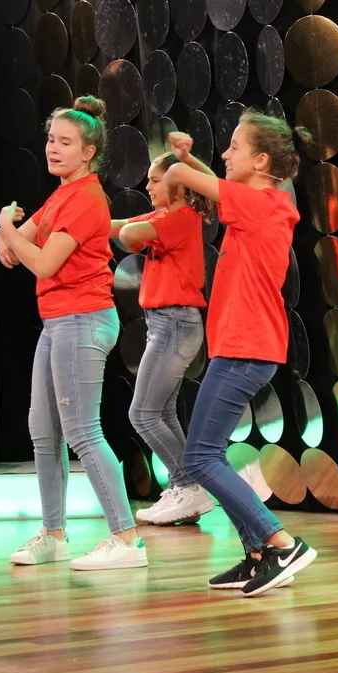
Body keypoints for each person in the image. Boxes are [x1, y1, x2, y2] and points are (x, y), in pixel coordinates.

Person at [162, 113, 317, 597]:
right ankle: (257, 554)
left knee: (200, 457)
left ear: (261, 161)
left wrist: (176, 165)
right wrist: (190, 159)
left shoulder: (259, 204)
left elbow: (183, 178)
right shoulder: (261, 202)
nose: (225, 154)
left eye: (234, 147)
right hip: (243, 347)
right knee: (207, 455)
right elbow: (214, 181)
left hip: (246, 348)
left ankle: (280, 542)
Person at [0, 96, 146, 571]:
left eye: (65, 142)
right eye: (50, 140)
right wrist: (10, 235)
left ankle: (126, 539)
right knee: (43, 430)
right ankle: (53, 534)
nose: (53, 149)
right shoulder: (62, 195)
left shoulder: (85, 198)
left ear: (88, 151)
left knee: (82, 430)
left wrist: (5, 226)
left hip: (83, 318)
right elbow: (13, 247)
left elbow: (40, 261)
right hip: (58, 320)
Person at [110, 148, 217, 526]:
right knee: (162, 412)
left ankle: (188, 484)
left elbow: (128, 232)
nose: (148, 186)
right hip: (165, 324)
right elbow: (116, 226)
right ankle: (183, 488)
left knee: (142, 414)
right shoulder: (162, 217)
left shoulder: (181, 218)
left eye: (155, 181)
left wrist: (130, 234)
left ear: (178, 185)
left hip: (175, 323)